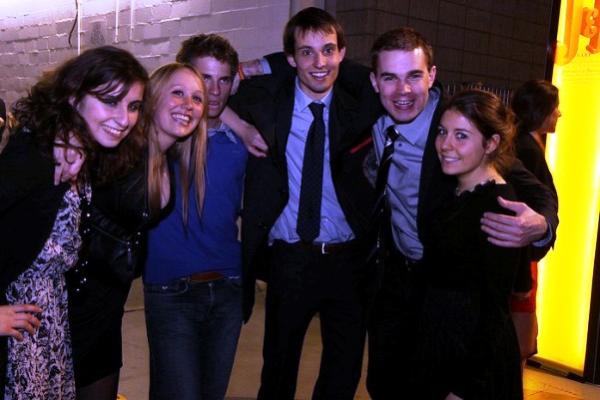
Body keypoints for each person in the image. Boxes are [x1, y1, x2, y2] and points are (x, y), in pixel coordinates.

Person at [362, 27, 558, 398]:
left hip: (448, 293)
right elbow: (312, 64)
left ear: (432, 75)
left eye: (414, 76)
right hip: (395, 282)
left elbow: (534, 189)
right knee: (385, 384)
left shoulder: (460, 124)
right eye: (390, 77)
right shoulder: (370, 111)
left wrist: (541, 224)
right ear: (374, 81)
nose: (403, 91)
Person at [231, 7, 378, 399]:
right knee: (278, 373)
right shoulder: (265, 100)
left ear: (342, 53)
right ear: (290, 58)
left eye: (328, 50)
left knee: (342, 374)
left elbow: (416, 89)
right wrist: (240, 126)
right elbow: (207, 91)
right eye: (307, 52)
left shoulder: (361, 102)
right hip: (290, 260)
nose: (319, 63)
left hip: (349, 260)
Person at [0, 45, 146, 399]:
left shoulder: (80, 154)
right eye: (110, 101)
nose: (124, 118)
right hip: (16, 337)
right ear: (73, 96)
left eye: (133, 106)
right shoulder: (37, 154)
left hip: (48, 329)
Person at [67, 62, 205, 400]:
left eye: (197, 98)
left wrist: (238, 125)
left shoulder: (168, 160)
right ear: (152, 98)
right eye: (178, 93)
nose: (188, 105)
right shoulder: (118, 150)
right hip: (71, 304)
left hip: (109, 306)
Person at [143, 34, 246, 400]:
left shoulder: (243, 143)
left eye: (224, 79)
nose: (214, 91)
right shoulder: (164, 137)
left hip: (228, 287)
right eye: (205, 79)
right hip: (171, 290)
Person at [411, 89, 523, 399]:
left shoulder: (500, 206)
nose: (445, 145)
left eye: (461, 136)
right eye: (442, 132)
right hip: (438, 344)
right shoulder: (452, 190)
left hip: (473, 360)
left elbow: (494, 308)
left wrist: (464, 388)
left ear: (491, 143)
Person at [509, 79, 560, 363]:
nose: (559, 114)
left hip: (523, 253)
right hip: (523, 254)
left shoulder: (525, 142)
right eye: (555, 108)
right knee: (520, 338)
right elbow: (529, 203)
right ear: (541, 110)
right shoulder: (526, 148)